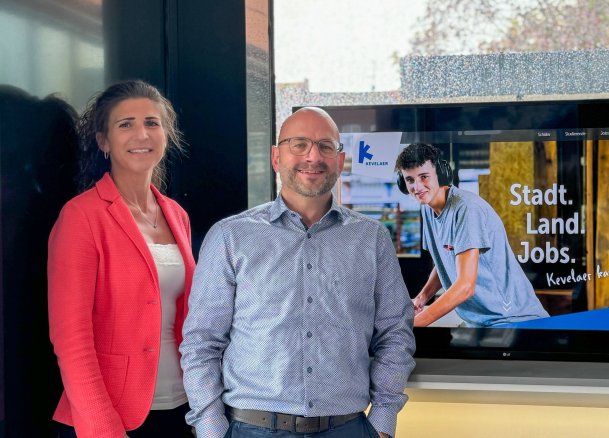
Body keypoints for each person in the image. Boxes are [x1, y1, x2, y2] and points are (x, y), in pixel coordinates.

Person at [180, 107, 415, 438]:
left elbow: (395, 333)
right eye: (299, 144)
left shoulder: (371, 239)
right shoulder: (231, 237)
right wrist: (209, 426)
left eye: (325, 146)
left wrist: (383, 419)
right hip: (251, 429)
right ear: (276, 157)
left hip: (347, 428)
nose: (313, 156)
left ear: (340, 159)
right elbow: (202, 341)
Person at [48, 80, 196, 438]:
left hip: (180, 409)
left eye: (151, 122)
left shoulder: (176, 214)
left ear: (165, 133)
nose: (141, 134)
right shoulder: (82, 216)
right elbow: (71, 338)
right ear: (104, 141)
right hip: (114, 419)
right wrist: (103, 428)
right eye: (125, 124)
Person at [394, 143, 549, 327]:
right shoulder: (428, 208)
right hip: (480, 321)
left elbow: (465, 287)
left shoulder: (466, 209)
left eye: (424, 177)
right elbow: (445, 258)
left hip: (513, 320)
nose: (417, 187)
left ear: (441, 174)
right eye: (410, 180)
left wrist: (411, 325)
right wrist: (421, 299)